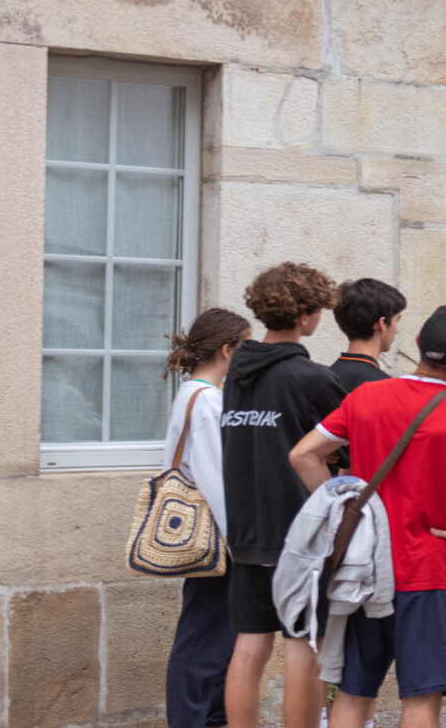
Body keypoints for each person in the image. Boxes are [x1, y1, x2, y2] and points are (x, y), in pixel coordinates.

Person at [288, 304, 446, 727]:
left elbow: (304, 454)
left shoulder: (366, 398)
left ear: (416, 345)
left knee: (354, 693)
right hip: (427, 570)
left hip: (363, 569)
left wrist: (341, 510)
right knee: (421, 699)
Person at [222, 262, 348, 728]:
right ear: (305, 317)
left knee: (250, 643)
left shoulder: (237, 374)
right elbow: (343, 447)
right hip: (299, 528)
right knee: (302, 642)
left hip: (246, 527)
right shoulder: (311, 377)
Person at [163, 308, 251, 728]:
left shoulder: (193, 395)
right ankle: (195, 719)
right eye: (244, 346)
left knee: (211, 634)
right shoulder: (208, 400)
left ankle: (207, 717)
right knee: (205, 638)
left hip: (208, 533)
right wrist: (240, 538)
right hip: (216, 536)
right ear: (227, 349)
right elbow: (216, 476)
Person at [330, 278, 407, 392]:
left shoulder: (327, 378)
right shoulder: (383, 386)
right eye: (397, 320)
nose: (396, 330)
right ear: (382, 323)